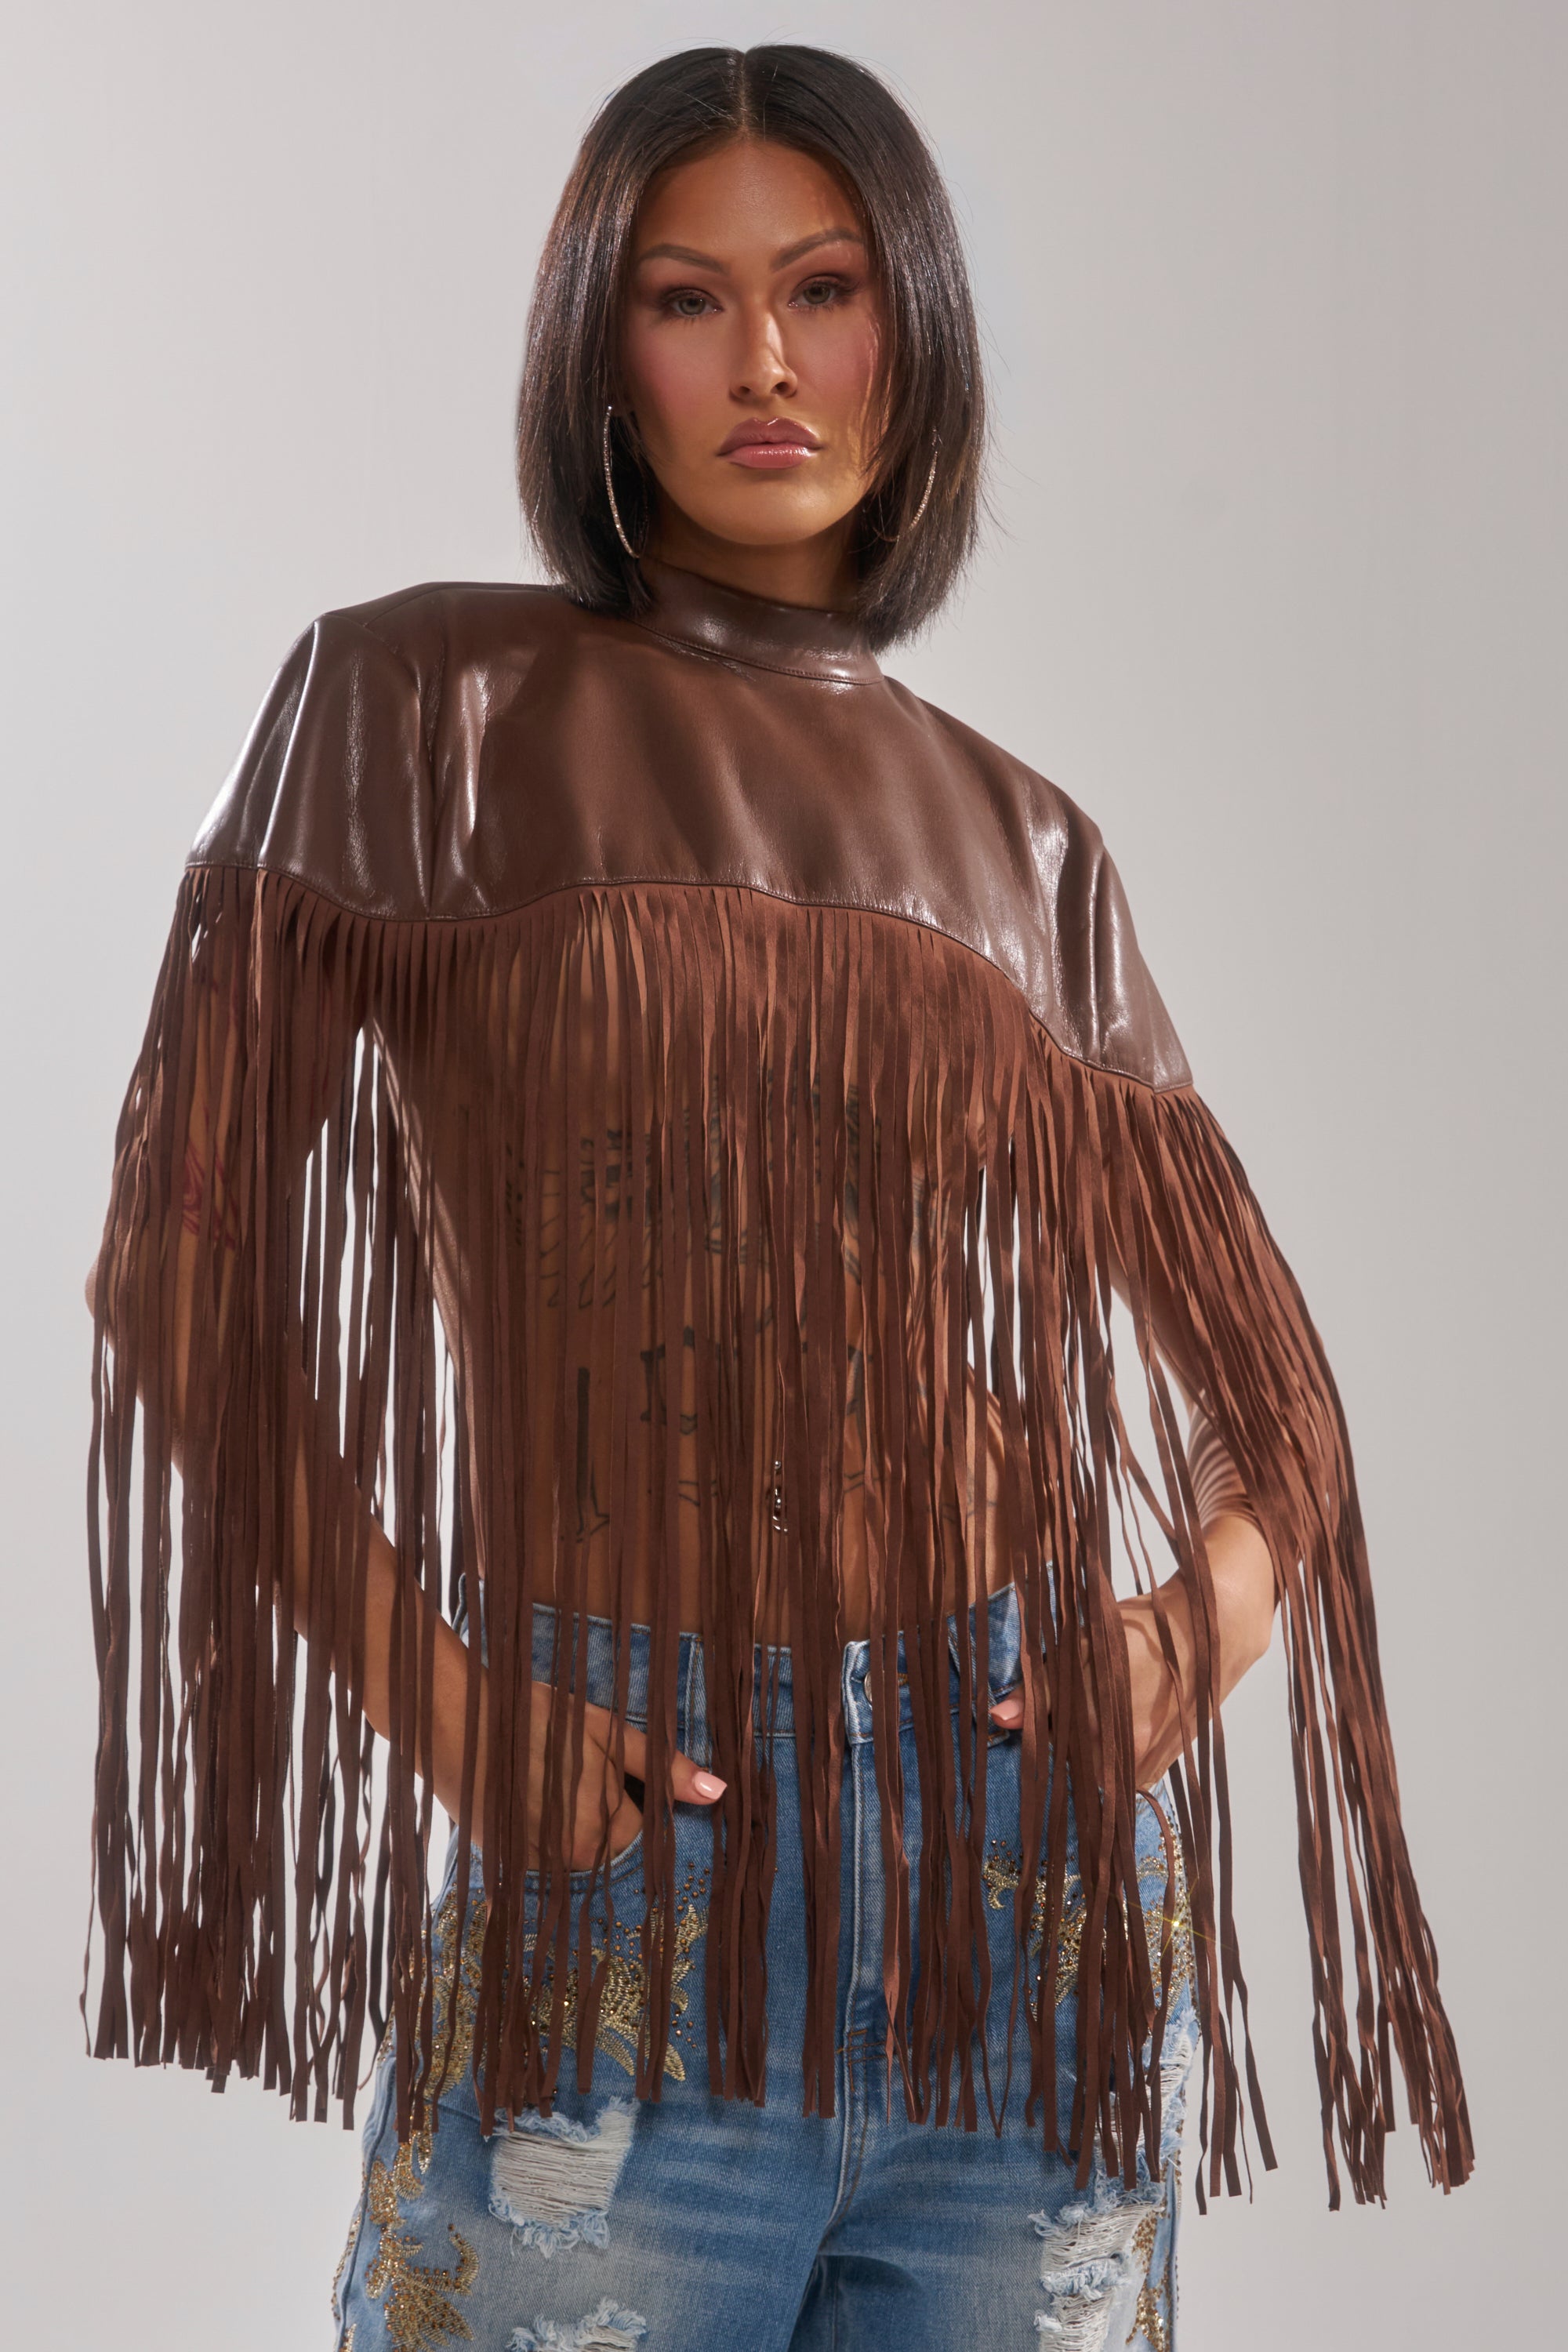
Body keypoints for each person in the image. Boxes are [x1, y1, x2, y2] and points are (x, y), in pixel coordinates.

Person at [82, 44, 1471, 2352]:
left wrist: (1178, 1635)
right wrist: (445, 1706)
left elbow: (1279, 1413)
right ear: (593, 354)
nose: (763, 364)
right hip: (621, 1874)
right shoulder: (413, 710)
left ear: (907, 331)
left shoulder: (1032, 854)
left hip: (1023, 1910)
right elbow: (182, 1281)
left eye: (823, 291)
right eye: (684, 298)